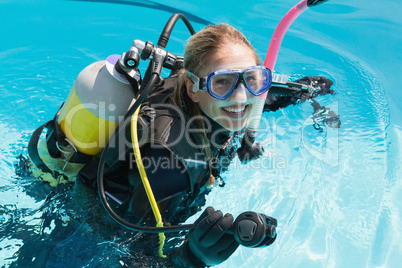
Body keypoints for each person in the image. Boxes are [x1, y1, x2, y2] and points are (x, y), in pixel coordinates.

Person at [25, 21, 336, 267]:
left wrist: (302, 91)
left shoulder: (196, 87)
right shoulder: (171, 168)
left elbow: (244, 95)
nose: (242, 97)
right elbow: (126, 256)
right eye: (222, 82)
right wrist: (190, 259)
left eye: (252, 79)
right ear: (193, 88)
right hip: (83, 234)